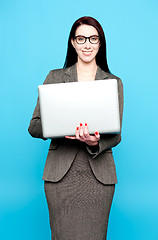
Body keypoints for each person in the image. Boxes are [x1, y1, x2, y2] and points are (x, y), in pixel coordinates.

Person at [28, 16, 123, 240]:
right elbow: (34, 126)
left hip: (99, 178)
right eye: (81, 38)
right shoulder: (55, 77)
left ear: (100, 42)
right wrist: (59, 127)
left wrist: (95, 142)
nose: (87, 44)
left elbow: (116, 135)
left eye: (93, 38)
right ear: (72, 42)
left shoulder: (113, 82)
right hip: (60, 176)